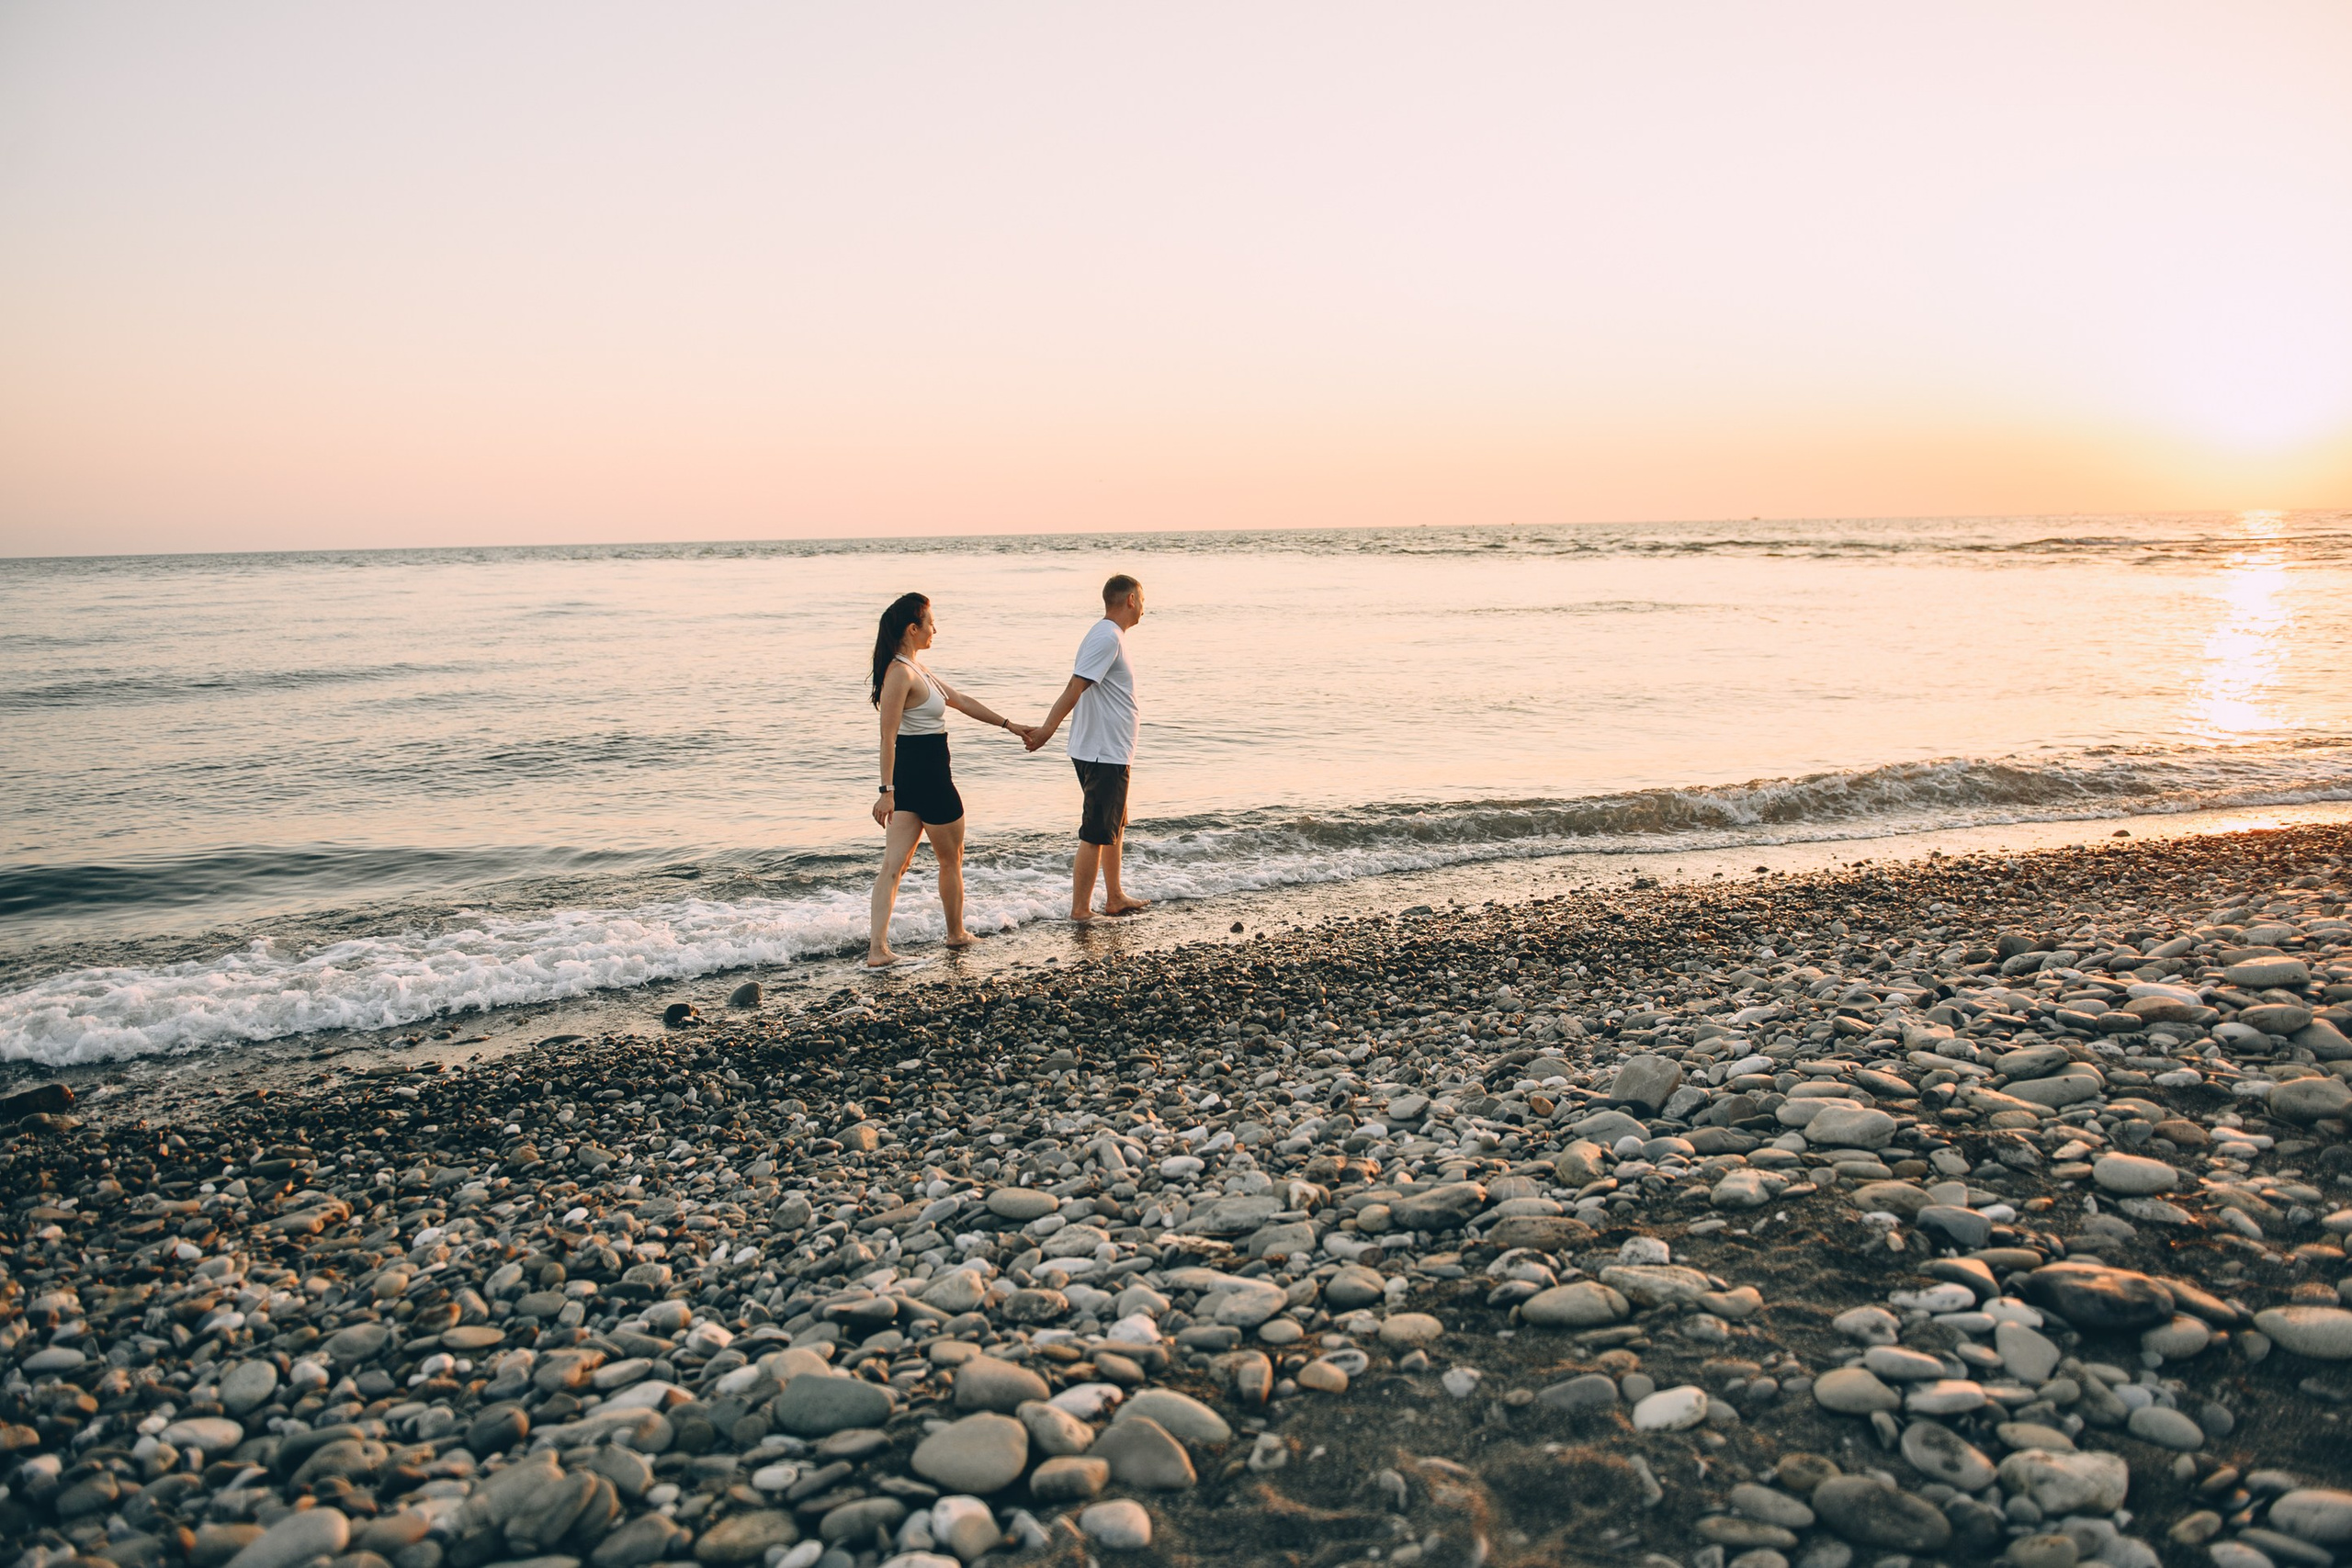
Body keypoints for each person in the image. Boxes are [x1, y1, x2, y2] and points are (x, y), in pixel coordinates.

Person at [866, 592, 1035, 967]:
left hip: (914, 778)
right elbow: (887, 736)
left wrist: (1009, 725)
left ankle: (881, 949)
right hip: (926, 778)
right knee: (947, 860)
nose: (934, 629)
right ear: (913, 628)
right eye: (930, 623)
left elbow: (960, 699)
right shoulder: (901, 673)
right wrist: (886, 792)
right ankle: (952, 935)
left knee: (897, 865)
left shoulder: (916, 669)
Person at [1025, 574, 1150, 921]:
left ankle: (1115, 896)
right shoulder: (1107, 636)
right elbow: (1075, 686)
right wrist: (1047, 729)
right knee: (1095, 831)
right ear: (1129, 600)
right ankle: (1080, 909)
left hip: (1111, 749)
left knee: (1114, 825)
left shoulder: (1109, 635)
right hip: (1102, 750)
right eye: (1142, 599)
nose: (1144, 606)